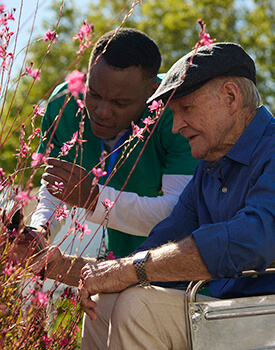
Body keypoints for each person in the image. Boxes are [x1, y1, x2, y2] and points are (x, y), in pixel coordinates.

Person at [75, 42, 275, 349]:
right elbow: (160, 243)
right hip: (222, 311)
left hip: (264, 313)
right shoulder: (207, 170)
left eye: (186, 109)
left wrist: (131, 269)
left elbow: (254, 237)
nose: (176, 126)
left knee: (138, 307)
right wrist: (104, 274)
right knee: (107, 302)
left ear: (231, 98)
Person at [30, 28, 198, 258]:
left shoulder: (178, 114)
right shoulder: (64, 104)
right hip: (113, 259)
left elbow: (180, 214)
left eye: (120, 102)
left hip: (177, 261)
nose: (102, 112)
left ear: (153, 92)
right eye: (94, 94)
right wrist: (39, 232)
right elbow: (59, 188)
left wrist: (93, 199)